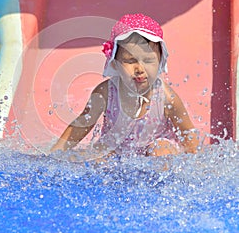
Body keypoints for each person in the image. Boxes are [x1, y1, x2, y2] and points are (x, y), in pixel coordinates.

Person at [51, 13, 200, 158]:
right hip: (117, 149)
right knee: (99, 154)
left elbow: (188, 134)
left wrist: (197, 164)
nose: (140, 69)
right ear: (115, 63)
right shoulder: (105, 93)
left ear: (161, 61)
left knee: (162, 151)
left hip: (156, 146)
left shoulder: (166, 97)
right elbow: (82, 124)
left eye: (148, 61)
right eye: (130, 60)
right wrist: (55, 153)